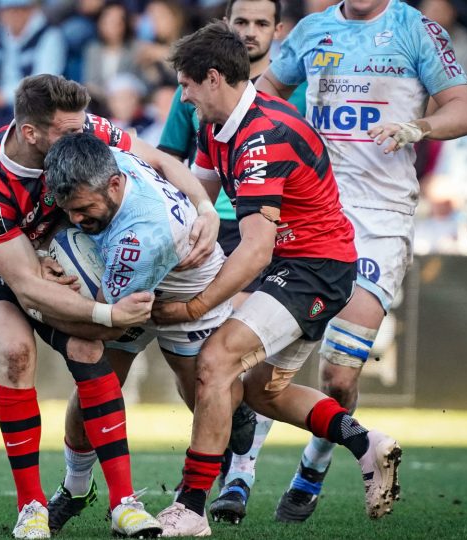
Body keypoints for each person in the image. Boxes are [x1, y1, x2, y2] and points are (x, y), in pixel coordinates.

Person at [150, 23, 402, 537]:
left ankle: (192, 507)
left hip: (312, 270)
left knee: (217, 359)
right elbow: (198, 195)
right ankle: (367, 444)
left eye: (187, 84)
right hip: (296, 265)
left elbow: (255, 248)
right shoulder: (215, 127)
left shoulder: (264, 137)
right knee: (262, 391)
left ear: (214, 78)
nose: (184, 96)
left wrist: (193, 307)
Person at [0, 73, 220, 539]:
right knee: (17, 354)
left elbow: (155, 157)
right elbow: (25, 285)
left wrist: (205, 207)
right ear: (31, 133)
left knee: (89, 351)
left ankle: (123, 503)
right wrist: (106, 315)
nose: (84, 134)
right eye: (69, 131)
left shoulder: (80, 131)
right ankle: (30, 507)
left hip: (52, 256)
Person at [254, 0, 467, 523]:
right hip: (313, 208)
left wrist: (418, 127)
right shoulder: (313, 30)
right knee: (264, 365)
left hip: (380, 218)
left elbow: (466, 111)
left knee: (338, 378)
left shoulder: (415, 29)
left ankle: (314, 466)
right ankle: (237, 478)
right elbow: (266, 95)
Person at [42, 133, 231, 535]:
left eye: (84, 208)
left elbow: (103, 320)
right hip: (130, 288)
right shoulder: (101, 152)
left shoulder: (141, 237)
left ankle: (210, 486)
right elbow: (164, 158)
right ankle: (76, 488)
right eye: (68, 210)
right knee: (95, 383)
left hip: (188, 291)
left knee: (204, 388)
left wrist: (36, 302)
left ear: (114, 184)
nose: (76, 219)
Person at [157, 0, 297, 524]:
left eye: (262, 23)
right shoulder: (192, 94)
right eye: (242, 21)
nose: (250, 32)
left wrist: (193, 307)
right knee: (198, 365)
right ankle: (222, 463)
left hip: (276, 235)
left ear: (277, 31)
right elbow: (172, 165)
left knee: (228, 359)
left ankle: (236, 472)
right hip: (209, 228)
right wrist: (195, 212)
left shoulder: (288, 99)